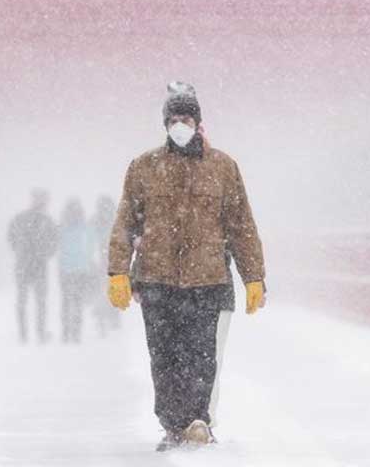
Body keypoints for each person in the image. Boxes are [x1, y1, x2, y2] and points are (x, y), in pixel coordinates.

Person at [106, 82, 267, 452]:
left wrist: (253, 276)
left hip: (207, 280)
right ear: (165, 124)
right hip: (156, 280)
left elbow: (241, 225)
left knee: (201, 356)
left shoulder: (223, 168)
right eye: (174, 119)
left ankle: (198, 420)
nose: (180, 124)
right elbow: (125, 223)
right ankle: (172, 424)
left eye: (186, 118)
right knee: (163, 357)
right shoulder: (144, 167)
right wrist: (117, 271)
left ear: (198, 122)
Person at [8, 189, 58, 344]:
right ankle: (40, 333)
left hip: (23, 265)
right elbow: (54, 242)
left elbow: (11, 238)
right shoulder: (47, 221)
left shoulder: (20, 218)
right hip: (39, 266)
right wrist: (44, 254)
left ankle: (23, 334)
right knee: (40, 301)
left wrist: (20, 252)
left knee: (23, 300)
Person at [58, 198, 94, 343]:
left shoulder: (62, 228)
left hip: (66, 269)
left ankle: (67, 331)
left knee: (67, 301)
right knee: (76, 301)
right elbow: (90, 246)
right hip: (79, 269)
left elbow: (58, 247)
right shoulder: (85, 227)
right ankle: (75, 332)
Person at [89, 195, 121, 337]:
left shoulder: (96, 222)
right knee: (109, 290)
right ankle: (110, 317)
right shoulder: (115, 220)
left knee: (101, 292)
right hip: (108, 261)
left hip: (103, 262)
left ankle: (103, 318)